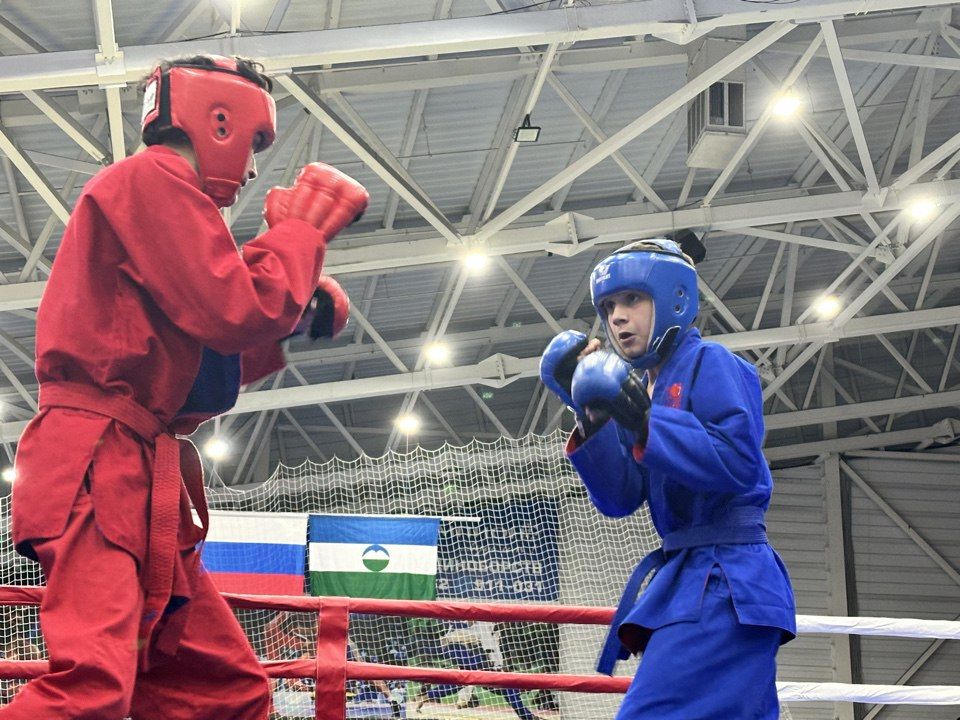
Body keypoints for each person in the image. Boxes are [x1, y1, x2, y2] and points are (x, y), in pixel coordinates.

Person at [4, 54, 368, 719]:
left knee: (226, 693)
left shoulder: (160, 204)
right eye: (256, 144)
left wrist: (288, 323)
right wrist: (297, 237)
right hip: (96, 462)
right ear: (219, 119)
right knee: (91, 688)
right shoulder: (151, 180)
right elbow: (232, 310)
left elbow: (199, 370)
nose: (255, 167)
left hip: (138, 473)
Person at [539, 237, 795, 719]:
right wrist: (592, 414)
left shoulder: (711, 362)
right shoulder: (646, 389)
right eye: (609, 305)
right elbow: (620, 499)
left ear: (674, 297)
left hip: (724, 581)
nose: (616, 317)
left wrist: (640, 416)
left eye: (632, 299)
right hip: (695, 580)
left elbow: (738, 461)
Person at [413, 621, 541, 720]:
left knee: (504, 687)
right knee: (469, 676)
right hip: (461, 649)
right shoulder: (466, 626)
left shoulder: (489, 631)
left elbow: (491, 651)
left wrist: (498, 666)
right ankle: (429, 696)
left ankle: (427, 696)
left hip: (481, 662)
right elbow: (451, 639)